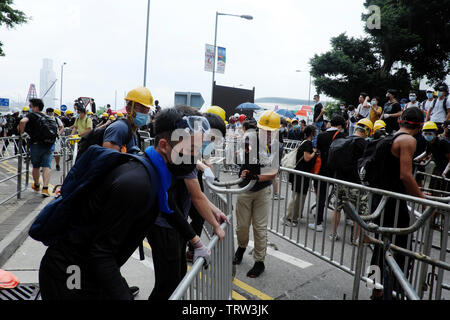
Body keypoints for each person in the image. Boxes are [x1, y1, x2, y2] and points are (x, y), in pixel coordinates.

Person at [145, 108, 215, 300]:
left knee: (177, 278)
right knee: (167, 285)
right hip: (162, 228)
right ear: (165, 144)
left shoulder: (176, 159)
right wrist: (196, 240)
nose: (194, 154)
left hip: (174, 228)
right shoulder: (154, 165)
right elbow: (168, 207)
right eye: (191, 147)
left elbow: (196, 196)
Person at [369, 107, 426, 300]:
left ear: (401, 120)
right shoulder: (408, 140)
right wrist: (424, 201)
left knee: (379, 247)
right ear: (419, 126)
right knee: (399, 250)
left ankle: (375, 288)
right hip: (393, 205)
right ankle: (393, 292)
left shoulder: (387, 139)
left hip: (379, 202)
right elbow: (405, 175)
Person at [233, 110, 280, 278]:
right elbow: (240, 157)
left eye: (270, 131)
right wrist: (243, 169)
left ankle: (259, 261)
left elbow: (273, 172)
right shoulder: (249, 138)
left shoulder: (275, 145)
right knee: (242, 226)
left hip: (262, 190)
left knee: (260, 228)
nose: (267, 134)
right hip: (245, 189)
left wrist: (257, 177)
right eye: (263, 130)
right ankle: (241, 247)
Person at [328, 119, 371, 242]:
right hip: (355, 183)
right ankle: (356, 238)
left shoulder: (343, 140)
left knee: (337, 208)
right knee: (360, 211)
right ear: (366, 131)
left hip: (339, 181)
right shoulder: (363, 144)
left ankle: (333, 234)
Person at [309, 115, 346, 232]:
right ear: (340, 126)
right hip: (337, 172)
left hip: (322, 170)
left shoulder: (321, 135)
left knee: (321, 196)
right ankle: (349, 218)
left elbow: (318, 151)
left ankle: (319, 222)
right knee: (342, 197)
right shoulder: (342, 136)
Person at [18, 99, 55, 197]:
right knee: (46, 166)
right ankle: (46, 189)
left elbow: (22, 121)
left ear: (36, 107)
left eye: (30, 106)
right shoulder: (47, 117)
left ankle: (37, 185)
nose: (30, 108)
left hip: (36, 144)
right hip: (48, 144)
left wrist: (22, 133)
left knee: (36, 166)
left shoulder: (31, 115)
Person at [283, 125, 317, 227]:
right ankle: (289, 218)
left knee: (299, 196)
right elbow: (307, 158)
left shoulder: (305, 142)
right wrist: (314, 152)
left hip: (301, 174)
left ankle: (294, 217)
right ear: (311, 133)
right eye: (315, 131)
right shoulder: (308, 144)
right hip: (301, 174)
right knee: (297, 197)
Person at [102, 87, 151, 154]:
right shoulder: (119, 129)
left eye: (147, 111)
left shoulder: (134, 131)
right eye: (142, 110)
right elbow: (108, 160)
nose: (145, 115)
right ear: (128, 109)